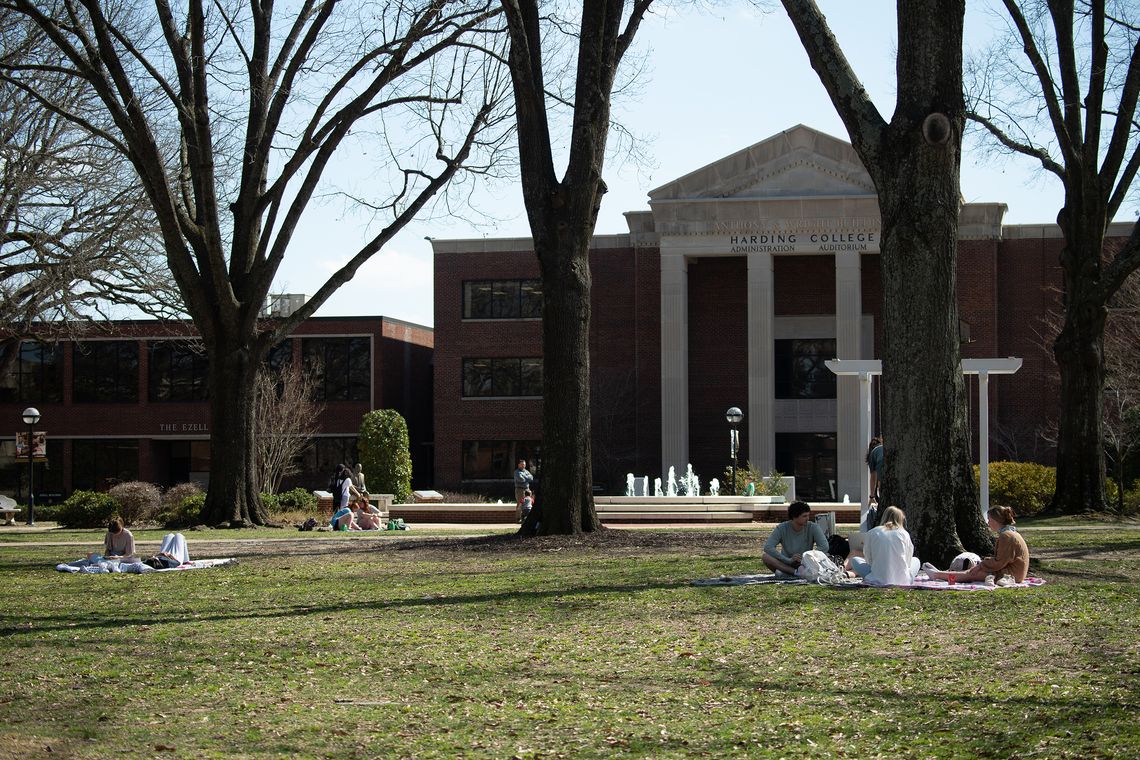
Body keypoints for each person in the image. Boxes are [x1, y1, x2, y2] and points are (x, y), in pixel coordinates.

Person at [923, 506, 1031, 583]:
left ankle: (937, 575)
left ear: (995, 520)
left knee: (972, 573)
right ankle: (941, 573)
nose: (988, 523)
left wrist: (981, 565)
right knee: (974, 570)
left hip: (1012, 575)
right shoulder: (1010, 533)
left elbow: (999, 562)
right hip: (1014, 572)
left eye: (989, 520)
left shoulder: (1006, 536)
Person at [847, 506, 919, 585]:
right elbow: (908, 560)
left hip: (877, 578)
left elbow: (868, 558)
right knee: (916, 560)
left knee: (855, 560)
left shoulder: (872, 532)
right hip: (903, 580)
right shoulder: (904, 533)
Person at [762, 501, 830, 575]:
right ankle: (795, 572)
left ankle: (791, 572)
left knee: (827, 555)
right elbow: (768, 547)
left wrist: (806, 558)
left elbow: (824, 546)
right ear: (794, 517)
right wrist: (788, 560)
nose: (807, 518)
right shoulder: (782, 528)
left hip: (807, 563)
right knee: (766, 557)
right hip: (786, 563)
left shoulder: (813, 527)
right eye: (804, 516)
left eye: (808, 515)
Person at [866, 436, 884, 514]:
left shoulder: (873, 453)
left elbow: (873, 477)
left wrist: (872, 496)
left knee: (881, 484)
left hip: (882, 479)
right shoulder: (882, 448)